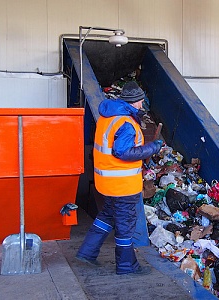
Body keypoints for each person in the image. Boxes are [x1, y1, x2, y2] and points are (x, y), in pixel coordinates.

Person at [76, 81, 163, 275]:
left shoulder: (108, 118)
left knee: (107, 215)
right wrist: (153, 147)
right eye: (140, 102)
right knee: (125, 225)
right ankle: (126, 266)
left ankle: (87, 252)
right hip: (123, 185)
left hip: (107, 183)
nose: (142, 105)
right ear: (134, 102)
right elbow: (122, 152)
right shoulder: (126, 123)